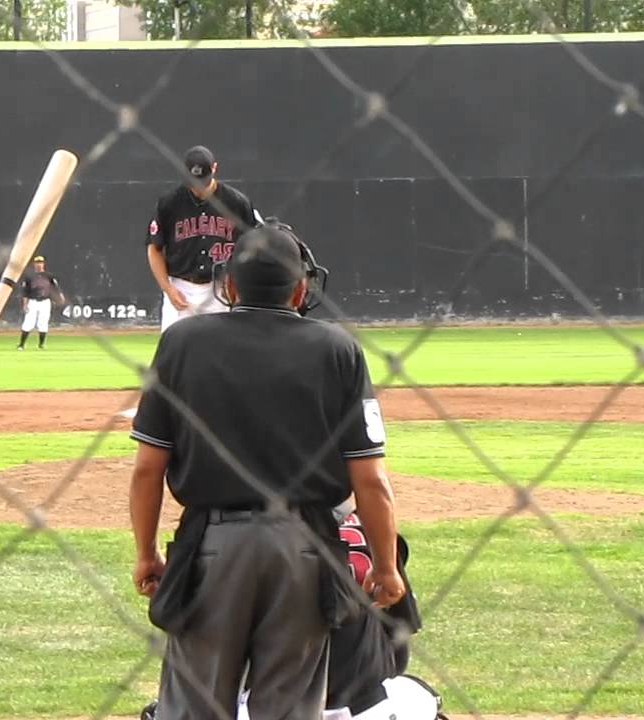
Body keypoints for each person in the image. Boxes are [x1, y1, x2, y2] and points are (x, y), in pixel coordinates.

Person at [128, 220, 405, 720]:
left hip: (212, 549)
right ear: (300, 289)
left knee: (194, 708)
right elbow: (371, 481)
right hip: (305, 549)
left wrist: (146, 553)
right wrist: (385, 565)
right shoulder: (338, 349)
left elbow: (148, 469)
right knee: (290, 709)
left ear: (230, 286)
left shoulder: (183, 343)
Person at [139, 503, 445, 720]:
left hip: (266, 707)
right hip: (367, 709)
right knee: (417, 693)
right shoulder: (372, 531)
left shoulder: (232, 539)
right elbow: (398, 650)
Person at [145, 145, 264, 331]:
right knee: (175, 346)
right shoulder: (169, 203)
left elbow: (254, 247)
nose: (199, 186)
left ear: (214, 168)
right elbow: (154, 248)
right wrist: (167, 289)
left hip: (221, 290)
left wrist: (237, 284)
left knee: (222, 347)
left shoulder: (236, 203)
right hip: (181, 288)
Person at [17, 254, 65, 349]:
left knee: (43, 322)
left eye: (40, 262)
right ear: (34, 264)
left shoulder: (49, 276)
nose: (39, 264)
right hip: (33, 301)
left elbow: (55, 288)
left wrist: (60, 296)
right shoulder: (29, 277)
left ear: (43, 264)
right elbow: (25, 292)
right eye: (37, 263)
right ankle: (22, 344)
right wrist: (25, 304)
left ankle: (41, 344)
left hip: (45, 301)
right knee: (28, 322)